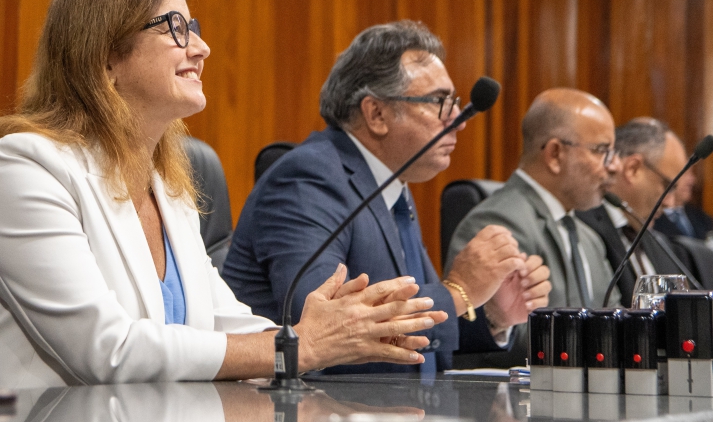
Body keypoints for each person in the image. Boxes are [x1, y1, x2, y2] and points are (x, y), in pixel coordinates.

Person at [0, 0, 447, 389]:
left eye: (193, 30)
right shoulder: (23, 167)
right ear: (106, 55)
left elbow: (227, 326)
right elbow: (104, 350)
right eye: (175, 29)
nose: (200, 49)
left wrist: (341, 331)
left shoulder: (168, 190)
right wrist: (295, 346)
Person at [223, 20, 551, 374]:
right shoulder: (309, 178)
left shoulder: (391, 189)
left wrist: (491, 315)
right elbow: (325, 324)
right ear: (376, 114)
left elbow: (413, 343)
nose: (458, 120)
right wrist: (457, 292)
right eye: (440, 102)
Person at [446, 88, 621, 366]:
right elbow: (484, 345)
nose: (615, 167)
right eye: (603, 151)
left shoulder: (589, 238)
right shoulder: (501, 221)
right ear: (555, 154)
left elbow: (612, 317)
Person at [577, 118, 695, 306]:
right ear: (633, 168)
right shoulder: (583, 230)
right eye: (667, 186)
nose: (670, 203)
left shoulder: (654, 240)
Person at [654, 164, 713, 241]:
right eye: (685, 173)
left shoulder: (702, 217)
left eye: (691, 173)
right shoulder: (651, 220)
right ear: (666, 176)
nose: (692, 180)